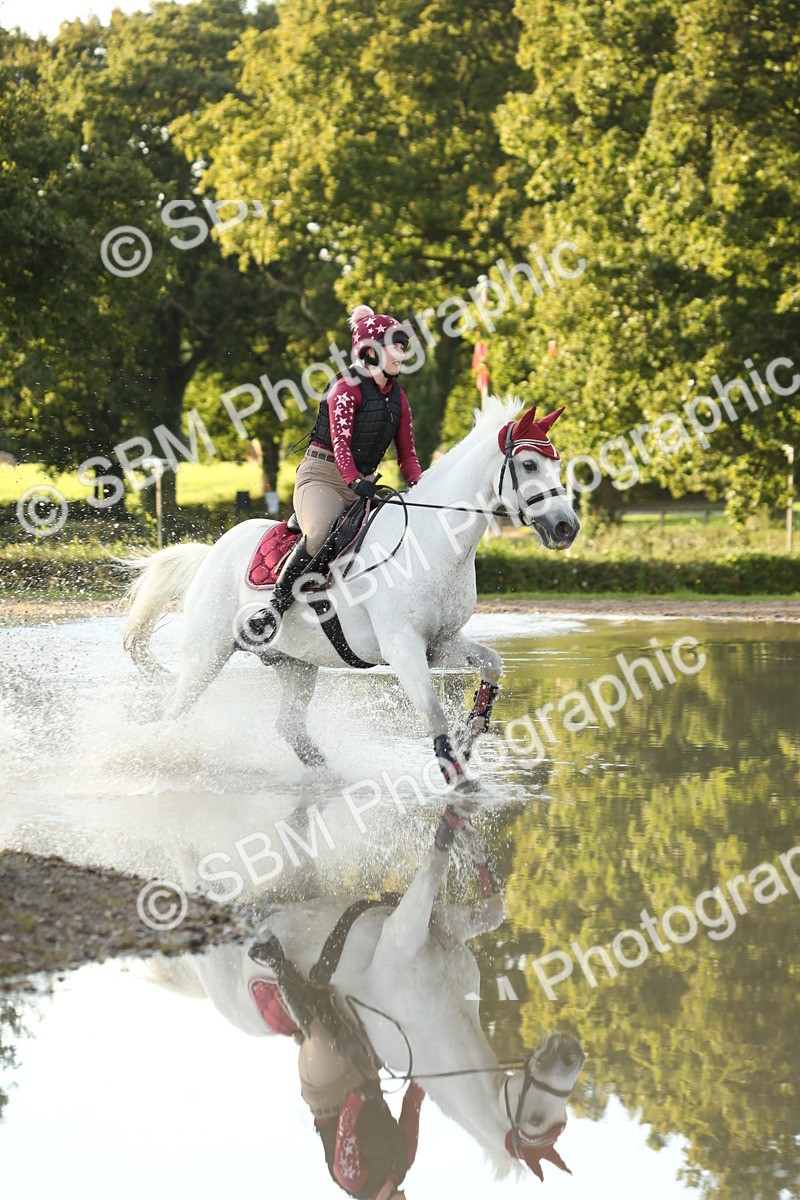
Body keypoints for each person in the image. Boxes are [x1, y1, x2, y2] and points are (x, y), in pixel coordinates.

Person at [245, 304, 423, 645]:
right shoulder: (345, 387)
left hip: (364, 485)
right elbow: (340, 445)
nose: (401, 354)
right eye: (395, 347)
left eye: (402, 347)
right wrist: (354, 480)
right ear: (371, 351)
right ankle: (274, 609)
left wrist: (420, 486)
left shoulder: (399, 399)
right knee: (319, 533)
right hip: (322, 476)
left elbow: (408, 455)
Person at [250, 962, 424, 1199]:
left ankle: (281, 969)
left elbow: (346, 1126)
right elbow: (414, 1101)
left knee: (321, 1037)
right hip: (366, 1075)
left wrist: (358, 1098)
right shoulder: (405, 1160)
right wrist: (429, 1067)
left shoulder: (354, 1181)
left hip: (329, 1093)